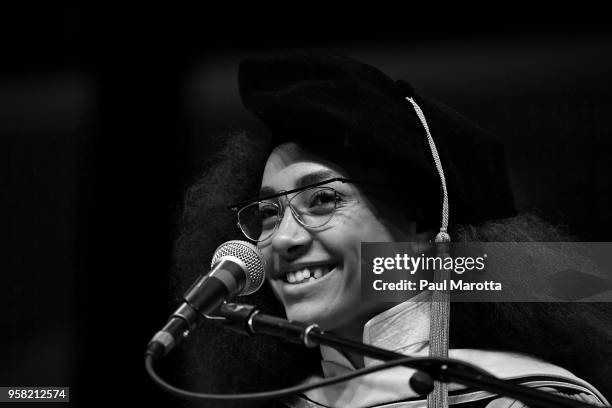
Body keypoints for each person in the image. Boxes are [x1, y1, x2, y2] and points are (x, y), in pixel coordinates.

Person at [169, 53, 611, 407]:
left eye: (323, 200)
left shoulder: (519, 396)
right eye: (268, 212)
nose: (283, 240)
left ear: (421, 228)